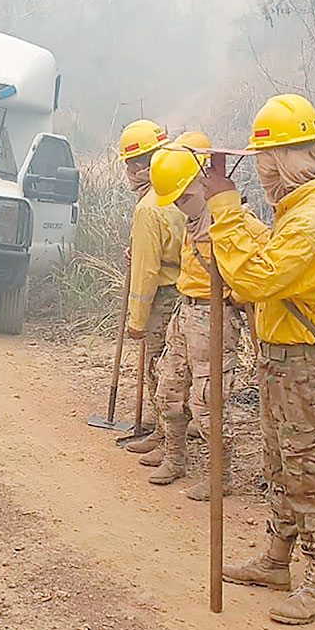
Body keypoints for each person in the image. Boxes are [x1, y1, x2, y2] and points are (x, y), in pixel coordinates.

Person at [204, 94, 315, 625]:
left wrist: (223, 209)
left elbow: (256, 278)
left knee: (312, 469)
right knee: (282, 464)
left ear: (280, 162)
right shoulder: (295, 213)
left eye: (262, 165)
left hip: (307, 365)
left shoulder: (313, 220)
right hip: (282, 358)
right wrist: (234, 216)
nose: (261, 176)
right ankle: (276, 559)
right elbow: (265, 260)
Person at [146, 137, 242, 501]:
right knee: (168, 387)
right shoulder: (192, 221)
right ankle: (175, 457)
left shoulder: (231, 221)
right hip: (185, 310)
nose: (181, 208)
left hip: (214, 314)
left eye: (185, 199)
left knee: (208, 400)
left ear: (204, 185)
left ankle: (221, 475)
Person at [118, 119, 185, 460]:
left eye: (131, 164)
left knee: (159, 370)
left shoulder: (148, 209)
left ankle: (167, 439)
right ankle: (162, 433)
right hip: (184, 292)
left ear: (141, 164)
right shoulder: (179, 193)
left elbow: (145, 273)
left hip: (162, 297)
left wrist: (136, 321)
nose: (129, 170)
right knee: (173, 368)